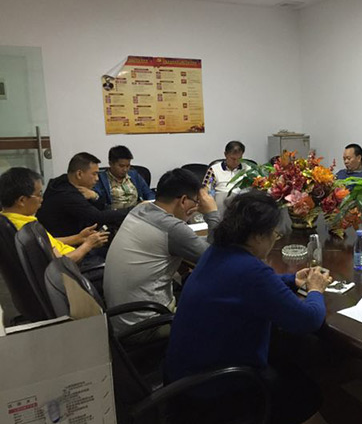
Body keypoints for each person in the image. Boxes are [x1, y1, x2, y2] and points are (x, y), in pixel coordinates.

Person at [165, 190, 332, 424]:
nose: (274, 239)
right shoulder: (251, 271)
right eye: (273, 234)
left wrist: (291, 280)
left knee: (285, 352)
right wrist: (315, 289)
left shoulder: (217, 251)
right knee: (306, 392)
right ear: (256, 236)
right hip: (215, 389)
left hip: (183, 377)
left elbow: (246, 286)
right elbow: (309, 320)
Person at [104, 168, 219, 338]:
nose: (196, 208)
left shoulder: (140, 209)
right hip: (147, 326)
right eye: (195, 202)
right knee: (218, 315)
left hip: (120, 318)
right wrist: (212, 213)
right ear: (183, 200)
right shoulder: (172, 228)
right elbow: (218, 258)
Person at [0, 167, 108, 263]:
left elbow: (45, 242)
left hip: (72, 253)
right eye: (39, 194)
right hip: (74, 267)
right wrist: (88, 245)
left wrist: (78, 238)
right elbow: (59, 264)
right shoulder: (27, 231)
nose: (41, 199)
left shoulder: (8, 218)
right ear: (22, 200)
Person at [36, 152, 129, 237]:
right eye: (94, 174)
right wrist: (130, 211)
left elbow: (101, 208)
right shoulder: (66, 194)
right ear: (79, 174)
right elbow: (98, 217)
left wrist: (95, 196)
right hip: (64, 244)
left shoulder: (65, 181)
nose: (97, 178)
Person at [203, 140, 246, 213]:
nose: (236, 162)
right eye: (233, 159)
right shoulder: (214, 169)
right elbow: (206, 188)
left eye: (239, 159)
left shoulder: (247, 169)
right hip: (220, 198)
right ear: (225, 154)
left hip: (240, 200)